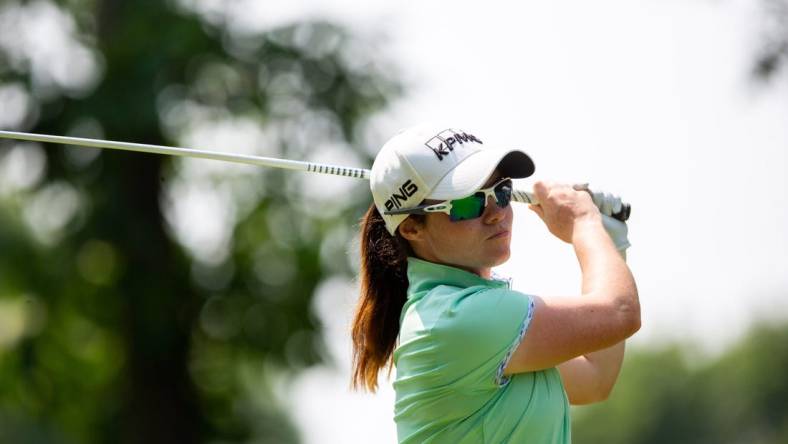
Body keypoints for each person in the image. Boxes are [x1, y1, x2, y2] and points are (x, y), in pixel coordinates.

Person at [350, 124, 640, 443]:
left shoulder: (472, 316)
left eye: (500, 191)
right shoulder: (455, 318)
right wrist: (584, 223)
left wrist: (610, 241)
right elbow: (620, 312)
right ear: (411, 229)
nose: (495, 213)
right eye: (466, 204)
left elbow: (595, 379)